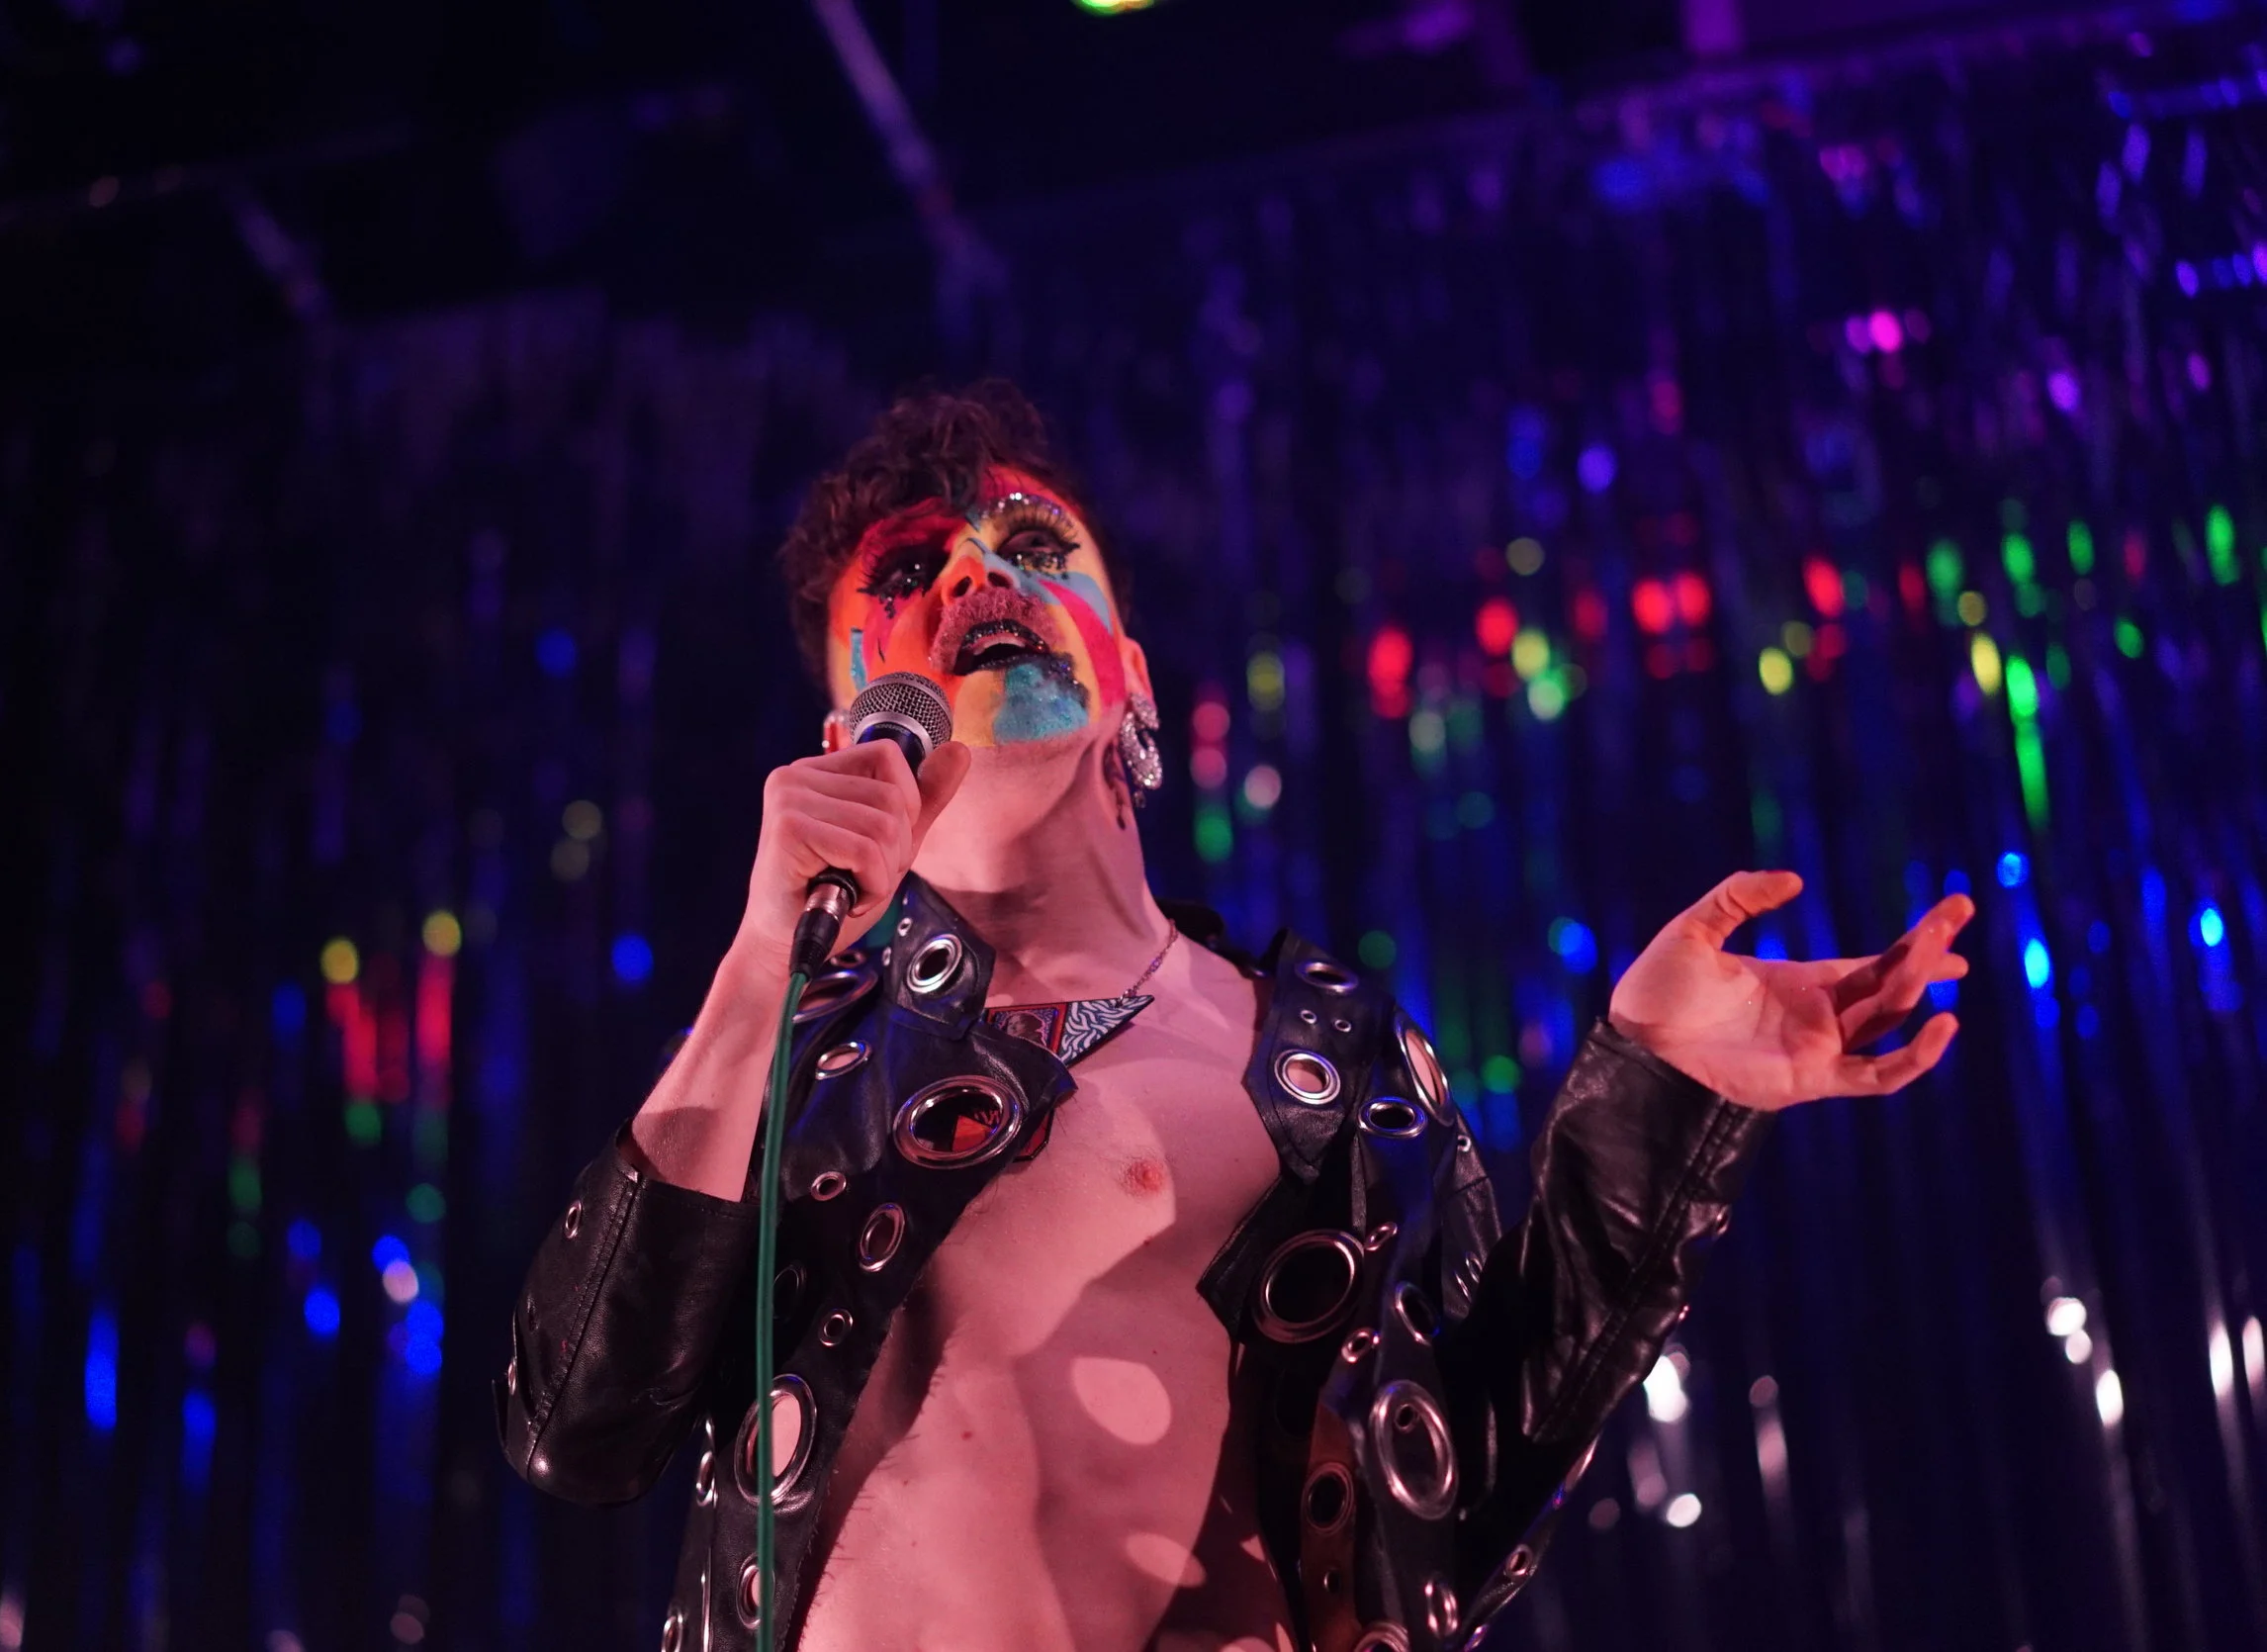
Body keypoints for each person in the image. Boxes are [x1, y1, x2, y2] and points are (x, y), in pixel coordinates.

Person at [495, 382, 1974, 1652]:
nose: (975, 575)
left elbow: (1465, 1496)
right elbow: (577, 1426)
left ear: (1129, 676)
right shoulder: (792, 1063)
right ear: (848, 737)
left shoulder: (1331, 1065)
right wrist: (769, 953)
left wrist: (1657, 1093)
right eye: (914, 571)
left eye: (1031, 548)